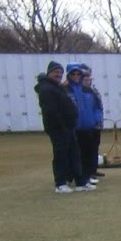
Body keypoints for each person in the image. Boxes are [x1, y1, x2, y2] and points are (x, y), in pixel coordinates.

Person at [35, 60, 83, 193]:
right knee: (60, 155)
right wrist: (61, 125)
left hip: (68, 126)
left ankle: (78, 181)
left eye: (60, 72)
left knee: (73, 153)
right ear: (49, 72)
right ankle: (60, 183)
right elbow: (51, 111)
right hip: (58, 128)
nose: (59, 75)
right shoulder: (46, 88)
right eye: (56, 72)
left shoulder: (57, 86)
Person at [66, 64, 102, 189]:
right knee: (75, 155)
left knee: (88, 154)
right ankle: (74, 179)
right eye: (73, 74)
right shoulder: (66, 90)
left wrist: (96, 119)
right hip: (74, 128)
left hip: (89, 127)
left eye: (78, 74)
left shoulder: (88, 90)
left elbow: (97, 107)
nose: (76, 76)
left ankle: (86, 178)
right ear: (69, 75)